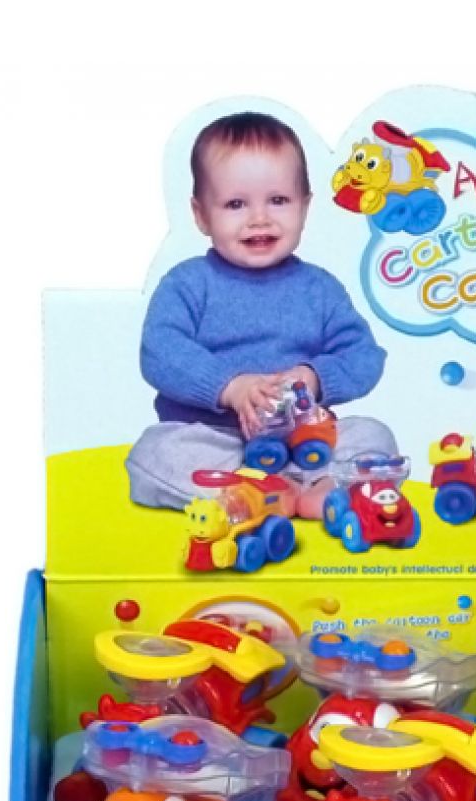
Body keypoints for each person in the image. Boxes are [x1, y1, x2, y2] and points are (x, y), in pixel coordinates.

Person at [126, 111, 395, 514]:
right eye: (235, 204)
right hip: (217, 440)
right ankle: (254, 491)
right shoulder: (187, 283)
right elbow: (160, 351)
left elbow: (363, 356)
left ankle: (314, 487)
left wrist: (315, 378)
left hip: (306, 440)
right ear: (201, 215)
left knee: (375, 436)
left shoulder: (320, 289)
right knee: (155, 454)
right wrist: (230, 387)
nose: (259, 219)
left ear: (304, 206)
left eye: (278, 200)